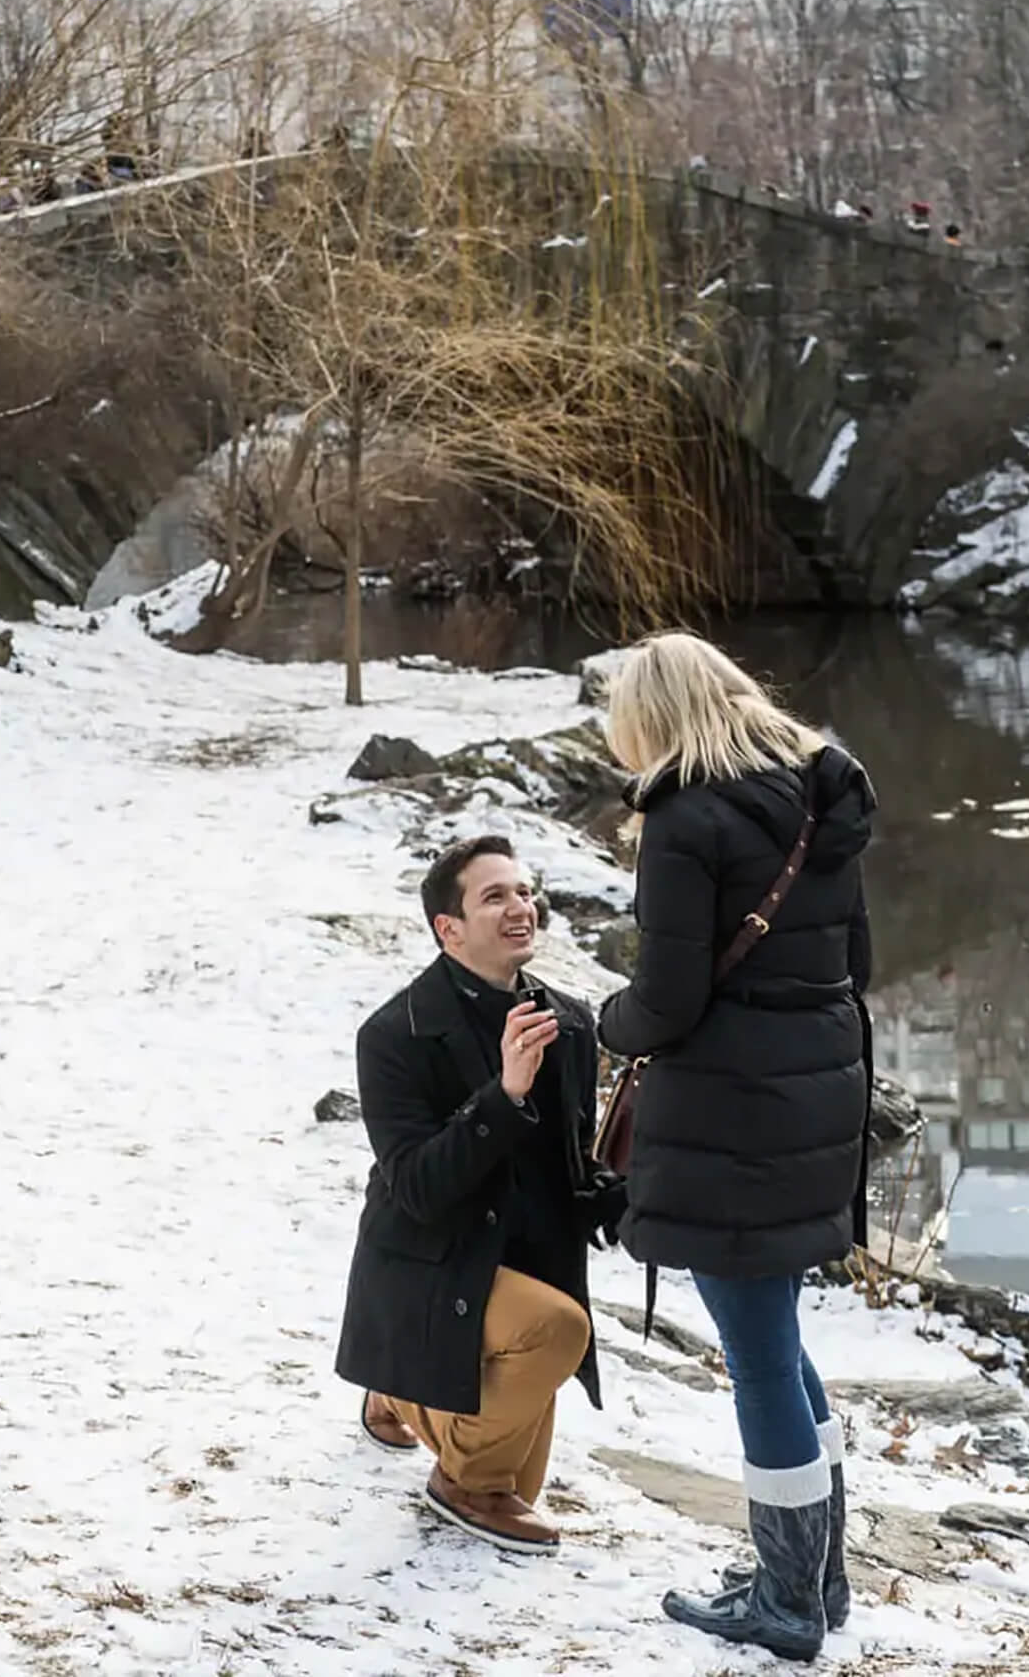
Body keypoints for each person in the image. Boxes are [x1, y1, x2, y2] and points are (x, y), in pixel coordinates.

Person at [598, 633, 875, 1661]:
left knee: (757, 1352)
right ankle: (817, 1575)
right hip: (817, 1090)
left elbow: (666, 1002)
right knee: (775, 1333)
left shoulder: (683, 816)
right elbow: (857, 959)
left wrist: (607, 1019)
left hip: (732, 1107)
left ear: (655, 717)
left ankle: (788, 1603)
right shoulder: (820, 794)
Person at [335, 835, 625, 1554]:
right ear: (449, 928)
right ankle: (453, 1479)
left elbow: (571, 1167)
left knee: (519, 1489)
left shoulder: (572, 1021)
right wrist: (505, 1094)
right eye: (495, 896)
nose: (520, 907)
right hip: (429, 1262)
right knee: (557, 1331)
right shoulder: (394, 1034)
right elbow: (418, 1189)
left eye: (525, 892)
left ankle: (400, 1393)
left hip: (521, 1260)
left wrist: (640, 1199)